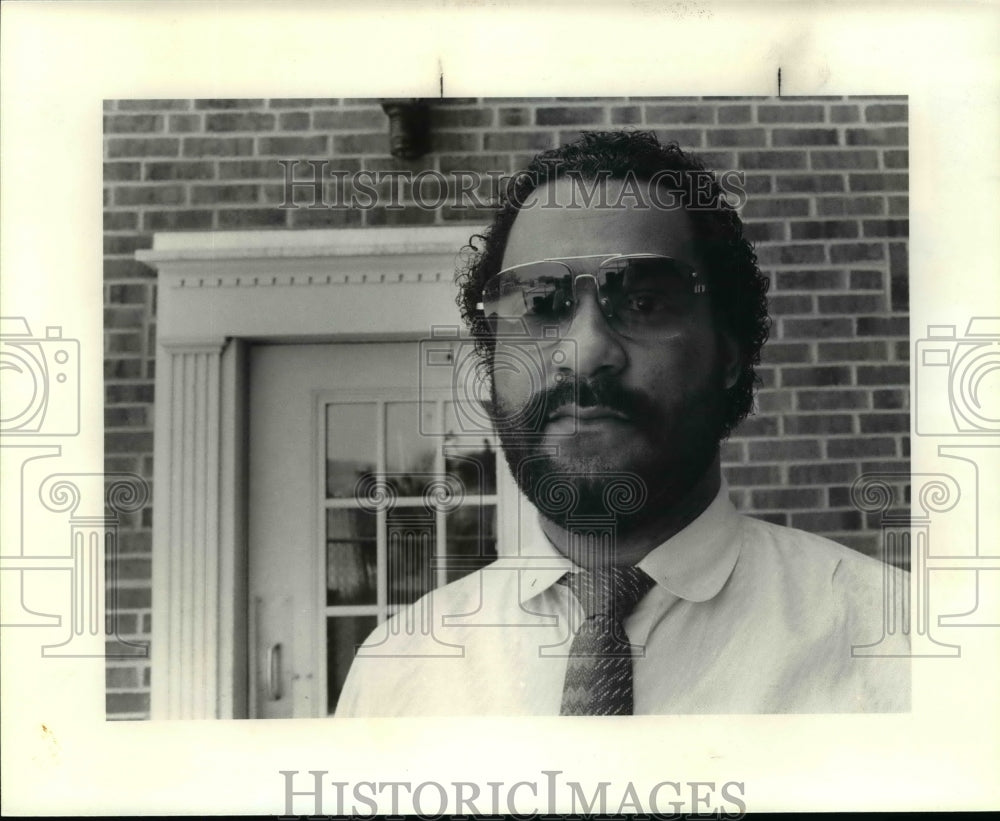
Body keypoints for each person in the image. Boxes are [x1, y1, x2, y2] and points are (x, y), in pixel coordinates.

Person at [335, 130, 910, 716]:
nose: (584, 353)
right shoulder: (395, 676)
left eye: (643, 303)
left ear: (729, 352)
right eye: (539, 305)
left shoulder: (900, 652)